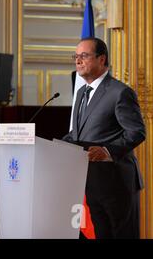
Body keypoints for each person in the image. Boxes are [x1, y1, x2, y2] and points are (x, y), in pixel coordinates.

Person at [63, 37, 146, 239]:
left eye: (84, 56)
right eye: (76, 56)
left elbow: (136, 131)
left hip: (117, 183)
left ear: (102, 59)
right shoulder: (81, 92)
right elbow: (79, 134)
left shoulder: (120, 92)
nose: (78, 61)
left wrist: (107, 151)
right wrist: (55, 144)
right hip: (92, 182)